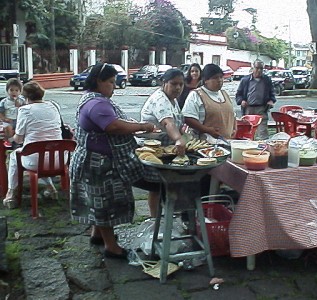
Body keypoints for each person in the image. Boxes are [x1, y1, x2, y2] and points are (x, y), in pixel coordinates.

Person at [69, 63, 156, 260]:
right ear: (98, 81)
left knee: (95, 201)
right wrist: (142, 126)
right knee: (103, 204)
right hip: (98, 164)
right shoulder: (97, 104)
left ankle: (97, 234)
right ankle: (111, 246)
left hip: (92, 160)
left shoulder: (92, 99)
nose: (113, 87)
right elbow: (113, 126)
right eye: (110, 82)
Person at [2, 81, 61, 209]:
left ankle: (10, 194)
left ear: (26, 97)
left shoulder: (25, 110)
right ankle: (51, 189)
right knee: (41, 154)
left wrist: (9, 138)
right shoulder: (53, 106)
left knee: (14, 157)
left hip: (36, 160)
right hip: (60, 159)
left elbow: (18, 139)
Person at [140, 68, 187, 217]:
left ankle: (166, 214)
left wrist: (184, 134)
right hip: (152, 149)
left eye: (181, 84)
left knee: (166, 185)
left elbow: (177, 123)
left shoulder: (172, 100)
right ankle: (155, 220)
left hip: (166, 148)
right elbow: (168, 123)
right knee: (156, 187)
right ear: (163, 83)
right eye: (174, 84)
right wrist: (179, 139)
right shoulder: (160, 99)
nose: (178, 88)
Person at [182, 63, 236, 141]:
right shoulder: (196, 95)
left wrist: (234, 128)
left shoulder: (224, 94)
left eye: (221, 77)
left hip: (226, 142)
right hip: (205, 145)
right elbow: (188, 118)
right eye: (215, 78)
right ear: (206, 80)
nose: (219, 80)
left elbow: (233, 114)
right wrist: (207, 130)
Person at [235, 59, 276, 140]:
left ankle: (264, 150)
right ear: (253, 68)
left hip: (262, 109)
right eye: (257, 68)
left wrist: (271, 100)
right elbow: (238, 95)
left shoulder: (267, 80)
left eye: (261, 68)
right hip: (248, 109)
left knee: (263, 133)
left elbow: (272, 94)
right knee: (248, 132)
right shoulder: (245, 80)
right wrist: (241, 101)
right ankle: (249, 149)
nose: (259, 70)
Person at [0, 78, 25, 146]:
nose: (14, 92)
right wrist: (5, 119)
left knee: (22, 129)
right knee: (8, 129)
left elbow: (26, 110)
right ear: (7, 91)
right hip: (9, 120)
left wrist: (19, 106)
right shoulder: (4, 102)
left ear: (20, 92)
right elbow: (1, 113)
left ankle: (18, 142)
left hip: (19, 120)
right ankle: (10, 141)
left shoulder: (22, 100)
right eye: (11, 90)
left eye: (16, 90)